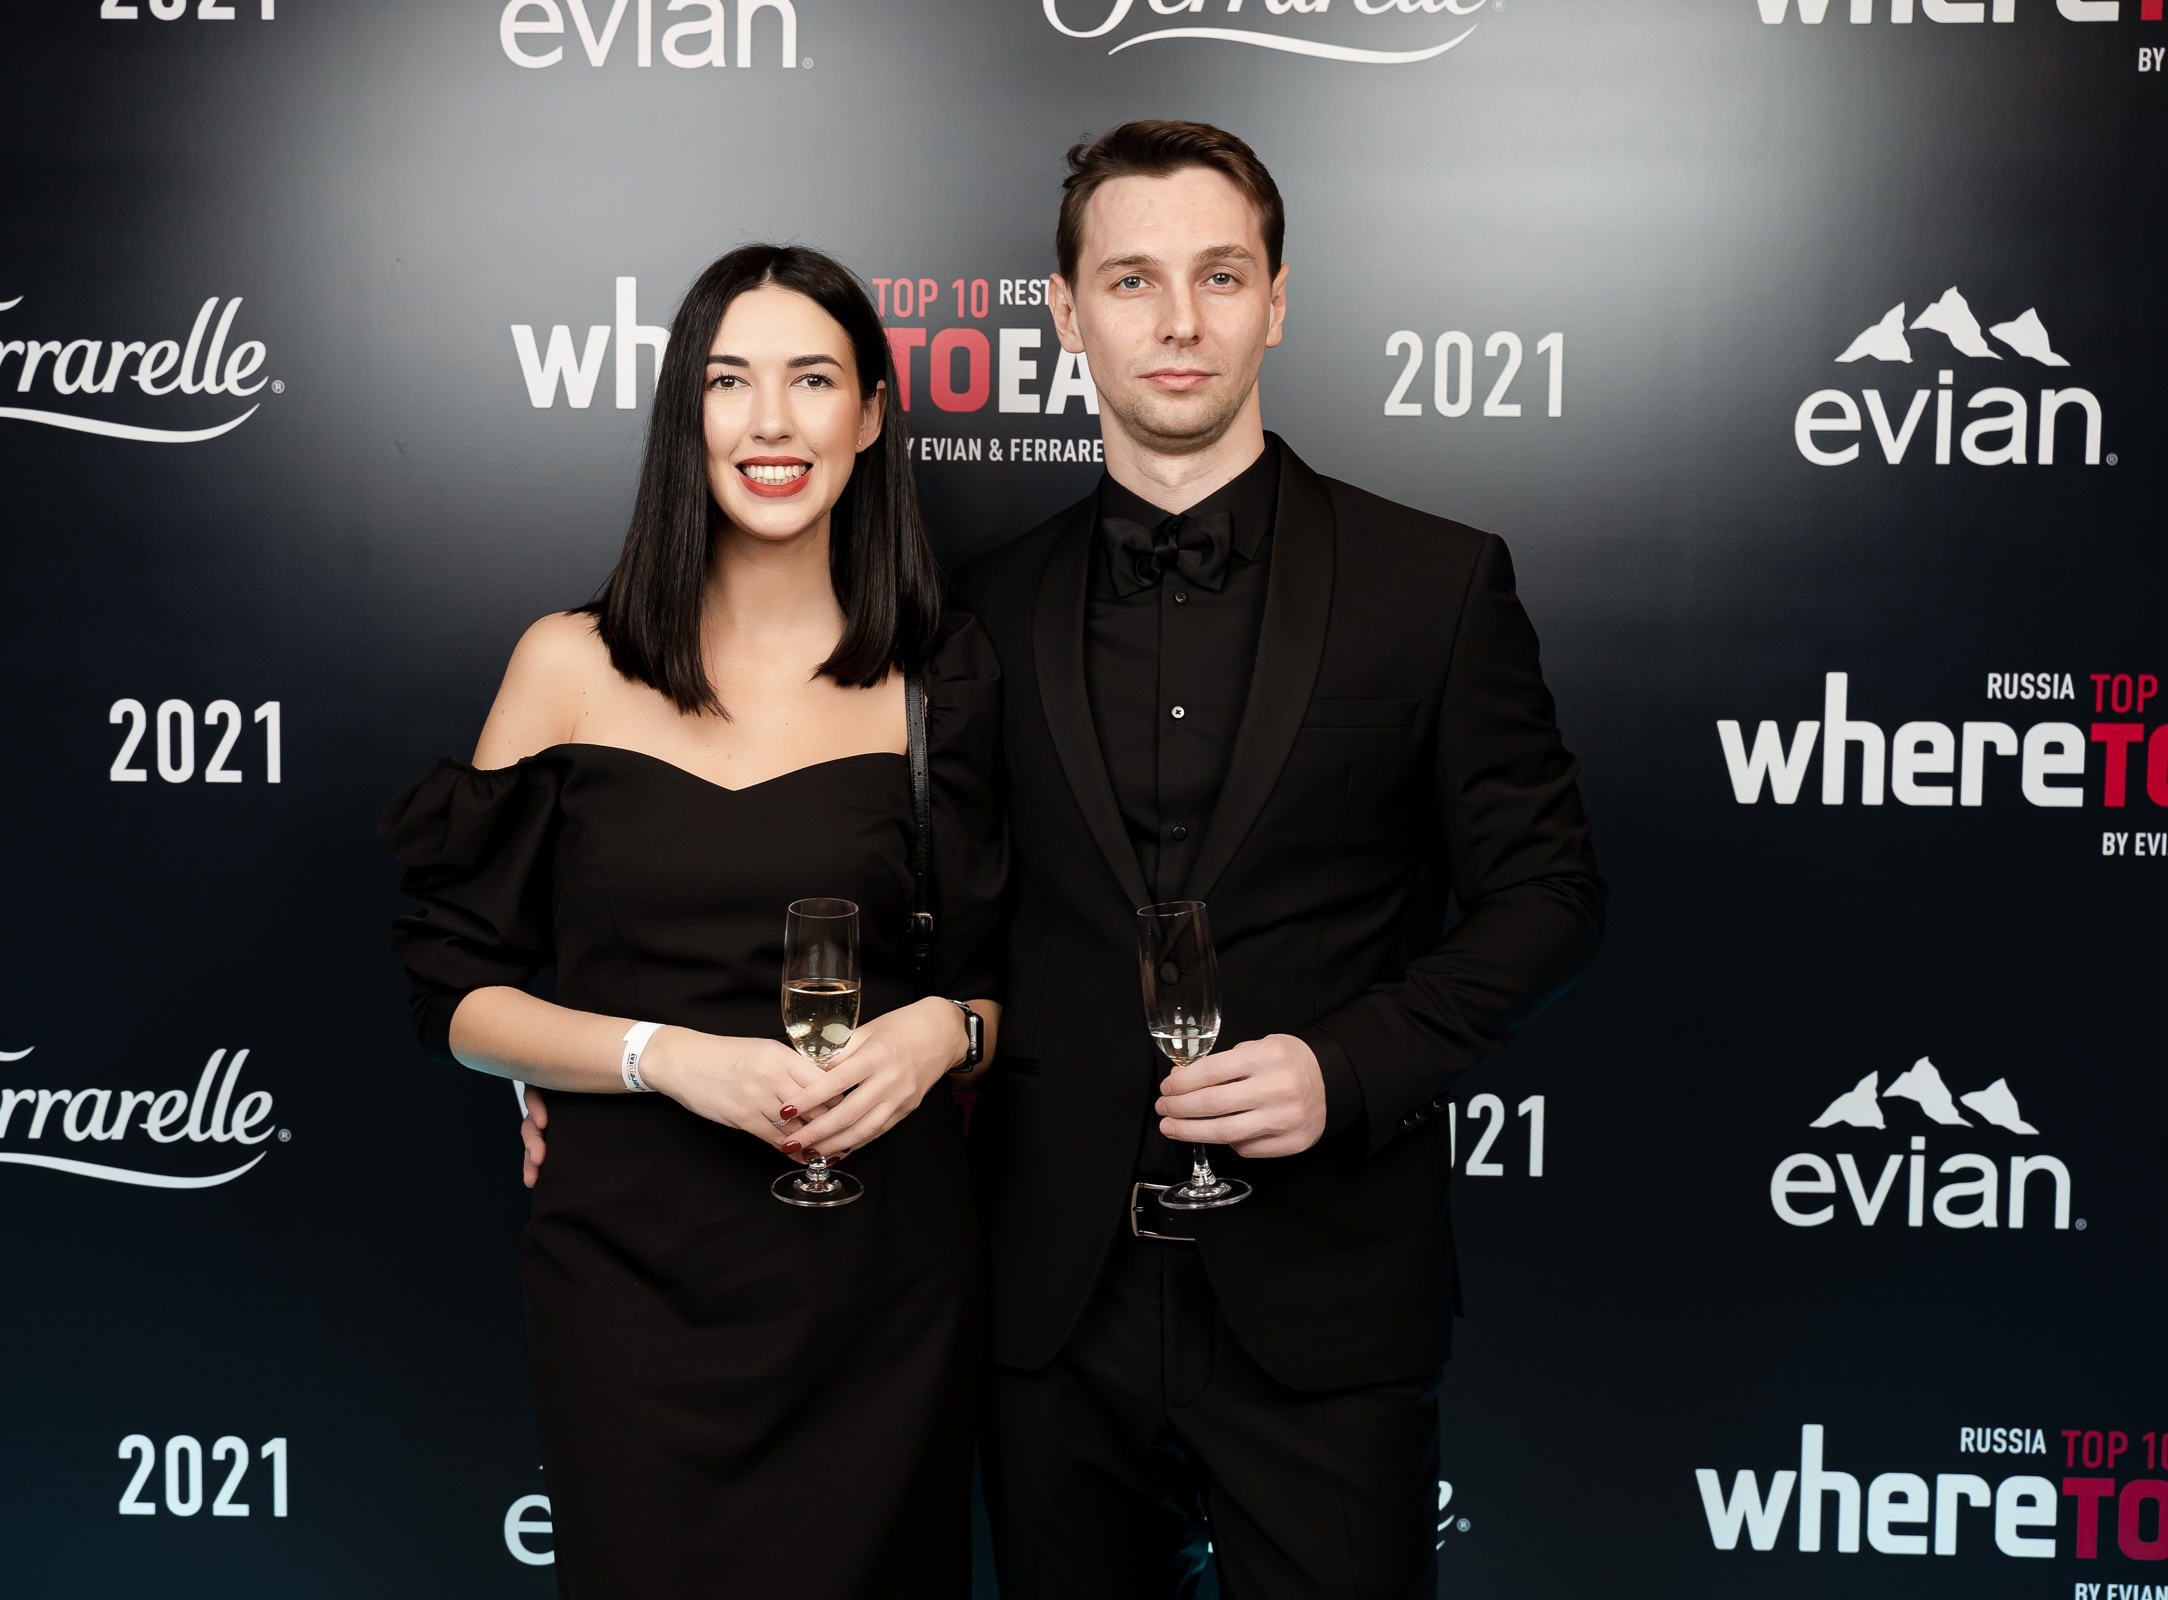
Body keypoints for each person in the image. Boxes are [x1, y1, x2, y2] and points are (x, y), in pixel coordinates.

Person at [521, 123, 1604, 1597]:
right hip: (1041, 1306)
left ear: (1279, 300)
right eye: (1133, 279)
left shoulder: (1437, 581)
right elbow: (860, 903)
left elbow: (1550, 898)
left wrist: (1346, 1066)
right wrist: (589, 1076)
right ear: (1067, 312)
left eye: (1221, 275)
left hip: (1325, 1292)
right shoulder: (972, 616)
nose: (1179, 321)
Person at [380, 243, 1006, 1600]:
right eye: (730, 381)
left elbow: (1005, 985)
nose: (771, 422)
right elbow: (456, 999)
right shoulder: (566, 662)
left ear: (871, 415)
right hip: (630, 1284)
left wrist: (941, 1037)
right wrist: (656, 1056)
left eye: (813, 380)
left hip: (879, 1284)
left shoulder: (943, 682)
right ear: (686, 413)